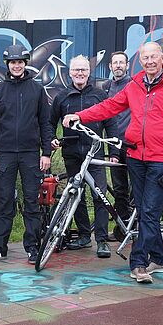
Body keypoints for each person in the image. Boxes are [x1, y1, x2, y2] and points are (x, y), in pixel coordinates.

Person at [64, 42, 163, 283]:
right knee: (144, 212)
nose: (150, 61)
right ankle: (159, 259)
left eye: (154, 56)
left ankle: (139, 263)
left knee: (149, 213)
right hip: (135, 157)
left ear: (162, 57)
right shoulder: (135, 86)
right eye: (145, 57)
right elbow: (109, 107)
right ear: (140, 61)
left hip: (161, 160)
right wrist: (81, 115)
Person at [0, 44, 52, 264]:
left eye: (20, 62)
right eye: (13, 62)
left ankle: (32, 247)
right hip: (5, 154)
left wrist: (46, 152)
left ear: (25, 63)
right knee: (4, 202)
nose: (17, 65)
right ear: (8, 64)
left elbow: (45, 123)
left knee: (32, 201)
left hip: (31, 153)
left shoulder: (37, 90)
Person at [50, 55, 118, 258]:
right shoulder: (61, 97)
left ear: (89, 72)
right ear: (70, 73)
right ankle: (84, 236)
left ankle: (102, 240)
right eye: (76, 70)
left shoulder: (99, 95)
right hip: (71, 154)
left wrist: (113, 152)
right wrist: (51, 139)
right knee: (76, 196)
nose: (80, 73)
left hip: (95, 154)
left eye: (84, 70)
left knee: (100, 196)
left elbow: (110, 124)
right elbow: (49, 123)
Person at [104, 51, 133, 222]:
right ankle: (122, 227)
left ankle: (136, 226)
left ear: (127, 65)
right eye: (115, 63)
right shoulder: (107, 87)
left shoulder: (134, 85)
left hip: (132, 144)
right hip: (114, 144)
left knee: (137, 187)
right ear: (110, 66)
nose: (118, 66)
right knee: (119, 188)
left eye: (122, 62)